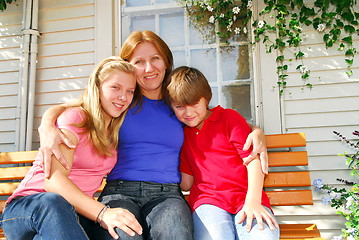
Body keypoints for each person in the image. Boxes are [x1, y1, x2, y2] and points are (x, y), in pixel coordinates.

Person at [36, 31, 269, 240]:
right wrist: (47, 123)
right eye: (139, 62)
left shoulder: (178, 103)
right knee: (123, 235)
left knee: (175, 231)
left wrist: (256, 132)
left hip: (166, 193)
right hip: (119, 190)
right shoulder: (122, 101)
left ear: (166, 61)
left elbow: (211, 118)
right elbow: (80, 108)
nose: (149, 68)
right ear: (128, 66)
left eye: (155, 58)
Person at [0, 57, 143, 240]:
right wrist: (103, 213)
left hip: (71, 215)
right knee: (53, 202)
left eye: (130, 91)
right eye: (115, 87)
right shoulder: (77, 118)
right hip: (29, 208)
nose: (123, 97)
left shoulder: (113, 134)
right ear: (97, 87)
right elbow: (53, 181)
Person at [165, 66, 280, 240]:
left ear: (206, 99)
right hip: (209, 202)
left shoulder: (228, 119)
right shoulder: (183, 136)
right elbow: (186, 183)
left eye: (194, 103)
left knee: (263, 236)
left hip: (247, 198)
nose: (188, 113)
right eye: (180, 106)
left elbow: (253, 161)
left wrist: (253, 202)